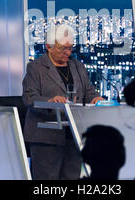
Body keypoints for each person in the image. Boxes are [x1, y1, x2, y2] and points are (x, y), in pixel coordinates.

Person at [22, 24, 104, 180]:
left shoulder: (77, 66)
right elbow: (28, 97)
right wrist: (50, 100)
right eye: (63, 48)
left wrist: (95, 98)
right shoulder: (35, 67)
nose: (68, 52)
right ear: (49, 47)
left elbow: (88, 92)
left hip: (73, 135)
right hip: (45, 137)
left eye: (70, 48)